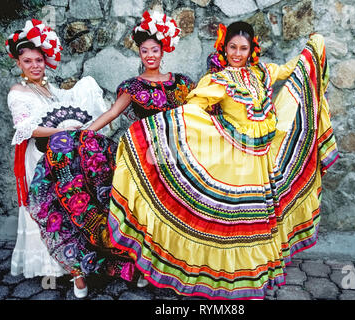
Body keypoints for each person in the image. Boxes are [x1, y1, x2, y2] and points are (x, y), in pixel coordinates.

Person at [106, 21, 339, 299]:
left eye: (243, 48)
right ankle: (226, 278)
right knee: (234, 222)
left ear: (252, 49)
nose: (237, 54)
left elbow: (294, 70)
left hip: (264, 158)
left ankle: (254, 274)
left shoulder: (263, 72)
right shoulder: (219, 81)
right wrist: (161, 131)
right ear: (224, 48)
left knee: (259, 220)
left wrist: (315, 44)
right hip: (235, 160)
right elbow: (193, 109)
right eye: (232, 47)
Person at [26, 11, 195, 297]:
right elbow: (112, 113)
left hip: (177, 157)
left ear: (163, 49)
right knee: (138, 213)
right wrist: (80, 135)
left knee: (177, 213)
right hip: (144, 156)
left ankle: (182, 268)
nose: (150, 55)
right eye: (145, 50)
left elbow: (196, 114)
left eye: (155, 49)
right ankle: (138, 268)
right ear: (139, 53)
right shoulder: (133, 86)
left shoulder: (182, 83)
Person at [5, 19, 111, 298]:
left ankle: (76, 266)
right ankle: (56, 270)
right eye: (27, 61)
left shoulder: (49, 89)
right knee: (47, 211)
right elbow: (26, 127)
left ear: (45, 60)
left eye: (38, 60)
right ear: (19, 64)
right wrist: (62, 130)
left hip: (62, 158)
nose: (34, 65)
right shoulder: (18, 92)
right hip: (38, 158)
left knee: (69, 208)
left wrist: (85, 94)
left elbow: (67, 105)